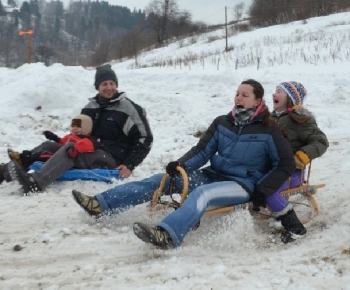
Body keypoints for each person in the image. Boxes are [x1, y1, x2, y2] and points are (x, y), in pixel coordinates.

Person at [72, 79, 301, 249]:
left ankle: (168, 235)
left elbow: (285, 164)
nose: (238, 98)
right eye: (237, 94)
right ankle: (101, 205)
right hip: (214, 174)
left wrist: (263, 190)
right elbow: (203, 151)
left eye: (244, 95)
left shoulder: (269, 130)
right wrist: (180, 165)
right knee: (161, 180)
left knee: (203, 194)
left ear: (258, 101)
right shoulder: (223, 122)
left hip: (242, 184)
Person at [6, 64, 153, 194]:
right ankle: (9, 170)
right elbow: (80, 134)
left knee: (71, 151)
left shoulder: (129, 109)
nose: (109, 88)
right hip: (89, 148)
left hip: (113, 156)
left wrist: (129, 165)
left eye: (112, 83)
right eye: (104, 84)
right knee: (48, 146)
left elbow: (145, 138)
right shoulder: (90, 108)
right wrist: (61, 140)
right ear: (97, 86)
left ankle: (36, 183)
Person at [260, 81, 329, 242]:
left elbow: (321, 142)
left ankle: (296, 228)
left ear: (291, 97)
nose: (274, 94)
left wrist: (300, 158)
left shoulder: (300, 119)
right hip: (271, 170)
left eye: (279, 91)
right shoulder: (270, 119)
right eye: (275, 90)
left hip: (292, 173)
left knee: (268, 188)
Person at [0, 114, 93, 183]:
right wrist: (55, 138)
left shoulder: (85, 139)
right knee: (46, 145)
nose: (75, 129)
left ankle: (25, 162)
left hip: (66, 158)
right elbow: (63, 142)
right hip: (60, 153)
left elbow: (83, 146)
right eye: (73, 126)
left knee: (43, 155)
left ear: (86, 128)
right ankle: (23, 157)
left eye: (78, 126)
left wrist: (74, 148)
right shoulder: (70, 136)